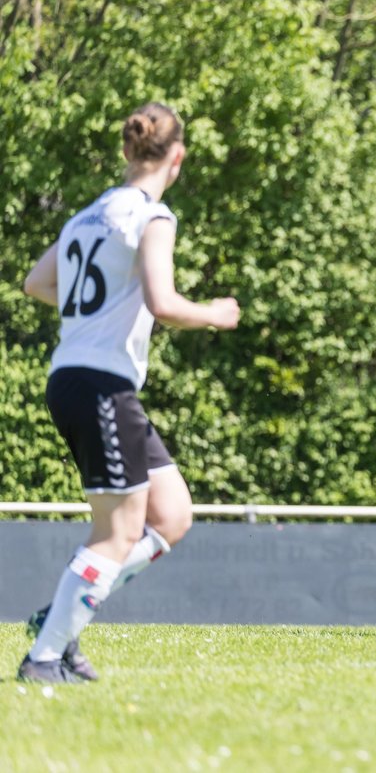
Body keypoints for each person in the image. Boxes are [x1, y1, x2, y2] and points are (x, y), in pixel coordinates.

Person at [18, 102, 240, 683]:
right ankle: (45, 656)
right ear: (177, 157)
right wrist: (214, 313)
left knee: (172, 516)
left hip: (78, 377)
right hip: (101, 384)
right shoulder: (153, 215)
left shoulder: (86, 217)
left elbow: (37, 283)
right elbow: (164, 304)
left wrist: (97, 308)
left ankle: (61, 615)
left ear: (125, 152)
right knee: (117, 533)